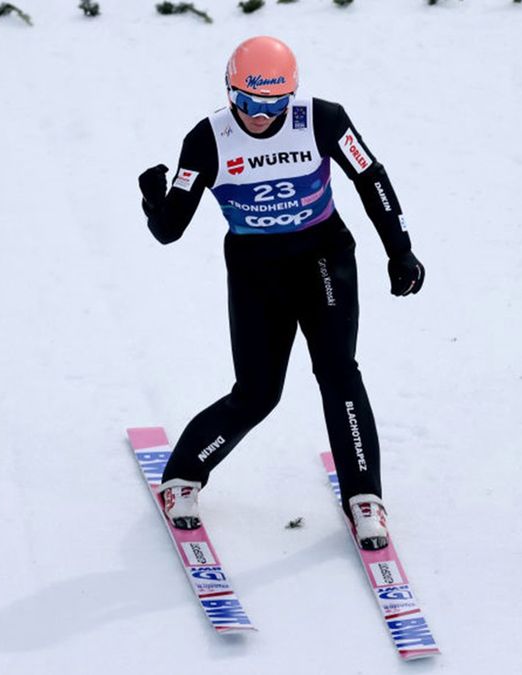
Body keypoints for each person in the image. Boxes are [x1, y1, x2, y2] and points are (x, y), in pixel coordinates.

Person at [138, 36, 424, 550]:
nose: (261, 118)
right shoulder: (208, 140)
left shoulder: (323, 120)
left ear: (291, 96)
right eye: (248, 103)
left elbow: (371, 178)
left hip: (322, 259)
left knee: (339, 373)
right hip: (256, 271)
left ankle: (365, 496)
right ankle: (183, 475)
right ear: (230, 93)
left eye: (274, 105)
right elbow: (170, 230)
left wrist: (399, 249)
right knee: (257, 394)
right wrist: (154, 201)